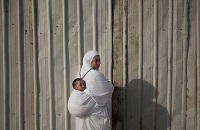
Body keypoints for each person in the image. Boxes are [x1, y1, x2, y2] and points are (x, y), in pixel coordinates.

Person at [68, 50, 114, 130]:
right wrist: (109, 82)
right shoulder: (95, 75)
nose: (99, 63)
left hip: (84, 114)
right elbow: (109, 89)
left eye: (99, 60)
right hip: (95, 114)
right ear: (89, 61)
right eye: (96, 60)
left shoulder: (80, 72)